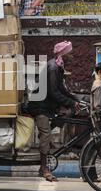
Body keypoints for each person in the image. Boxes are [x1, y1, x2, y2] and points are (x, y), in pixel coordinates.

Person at [27, 41, 79, 182]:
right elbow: (54, 92)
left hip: (48, 106)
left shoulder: (58, 66)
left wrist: (75, 99)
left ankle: (46, 141)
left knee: (65, 116)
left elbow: (61, 89)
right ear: (63, 54)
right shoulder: (53, 67)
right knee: (46, 134)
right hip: (40, 106)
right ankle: (43, 168)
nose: (72, 55)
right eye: (70, 53)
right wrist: (70, 102)